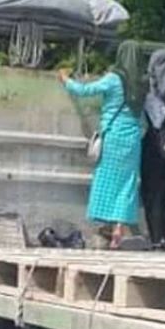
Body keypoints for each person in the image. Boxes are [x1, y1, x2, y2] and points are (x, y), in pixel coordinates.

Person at [59, 40, 145, 247]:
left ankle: (107, 224)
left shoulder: (114, 79)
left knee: (107, 180)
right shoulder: (142, 82)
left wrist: (65, 79)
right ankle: (119, 228)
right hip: (133, 140)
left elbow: (84, 91)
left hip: (113, 137)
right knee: (127, 183)